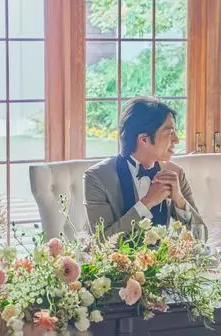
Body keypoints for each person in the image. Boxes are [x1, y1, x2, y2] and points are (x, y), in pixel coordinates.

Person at [83, 96, 204, 235]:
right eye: (170, 133)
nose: (176, 140)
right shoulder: (97, 178)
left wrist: (179, 200)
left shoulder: (175, 173)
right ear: (144, 139)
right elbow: (102, 242)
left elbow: (201, 237)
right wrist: (147, 202)